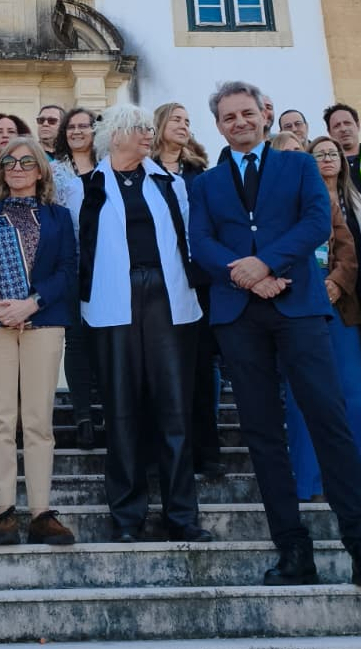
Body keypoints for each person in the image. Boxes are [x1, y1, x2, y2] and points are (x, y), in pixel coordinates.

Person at [189, 80, 361, 587]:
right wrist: (246, 274)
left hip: (298, 307)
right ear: (218, 125)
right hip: (239, 314)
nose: (239, 122)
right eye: (228, 117)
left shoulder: (299, 165)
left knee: (329, 421)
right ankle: (292, 550)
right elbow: (201, 243)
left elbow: (317, 222)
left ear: (263, 115)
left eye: (246, 113)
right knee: (261, 434)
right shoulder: (207, 183)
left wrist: (265, 263)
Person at [76, 103, 211, 543]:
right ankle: (127, 516)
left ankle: (181, 514)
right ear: (116, 136)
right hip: (113, 301)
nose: (147, 134)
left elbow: (191, 238)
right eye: (139, 129)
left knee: (174, 408)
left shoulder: (171, 183)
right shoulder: (86, 187)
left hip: (168, 298)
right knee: (120, 409)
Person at [0, 137, 78, 545]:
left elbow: (67, 269)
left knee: (38, 421)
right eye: (10, 160)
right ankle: (5, 512)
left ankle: (42, 512)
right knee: (0, 419)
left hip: (42, 321)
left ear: (41, 170)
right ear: (1, 168)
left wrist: (31, 304)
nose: (18, 167)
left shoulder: (59, 217)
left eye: (28, 161)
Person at [283, 138, 361, 502]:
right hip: (295, 309)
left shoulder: (325, 201)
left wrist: (337, 283)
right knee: (302, 398)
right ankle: (310, 483)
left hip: (338, 309)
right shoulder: (271, 205)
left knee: (354, 397)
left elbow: (346, 248)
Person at [151, 101, 220, 476]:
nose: (184, 125)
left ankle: (206, 450)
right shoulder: (144, 172)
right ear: (159, 124)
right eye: (176, 119)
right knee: (164, 369)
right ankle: (166, 450)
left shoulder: (199, 174)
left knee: (200, 367)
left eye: (188, 120)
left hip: (199, 280)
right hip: (159, 282)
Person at [308, 135, 361, 451]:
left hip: (359, 295)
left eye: (332, 153)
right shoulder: (303, 198)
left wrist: (340, 281)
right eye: (319, 154)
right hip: (319, 294)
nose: (327, 158)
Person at [50, 107, 101, 447]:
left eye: (85, 126)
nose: (78, 131)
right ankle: (83, 414)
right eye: (72, 127)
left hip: (108, 264)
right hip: (70, 264)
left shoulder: (112, 168)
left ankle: (113, 411)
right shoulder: (54, 171)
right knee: (77, 340)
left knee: (110, 340)